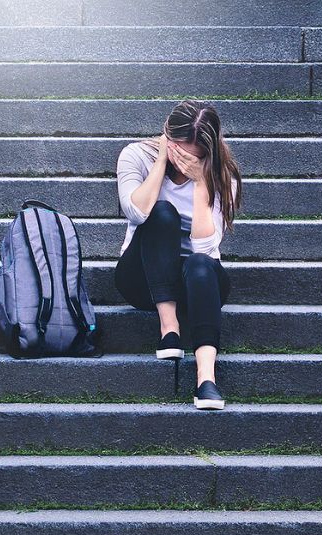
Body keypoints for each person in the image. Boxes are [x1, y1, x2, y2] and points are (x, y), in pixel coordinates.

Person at [113, 99, 243, 410]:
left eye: (192, 155)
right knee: (161, 213)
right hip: (142, 277)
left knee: (200, 263)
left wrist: (201, 184)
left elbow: (205, 249)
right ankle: (168, 330)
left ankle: (206, 378)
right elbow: (135, 211)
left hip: (197, 282)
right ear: (166, 136)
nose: (182, 159)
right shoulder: (135, 156)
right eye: (177, 148)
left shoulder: (223, 177)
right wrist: (160, 162)